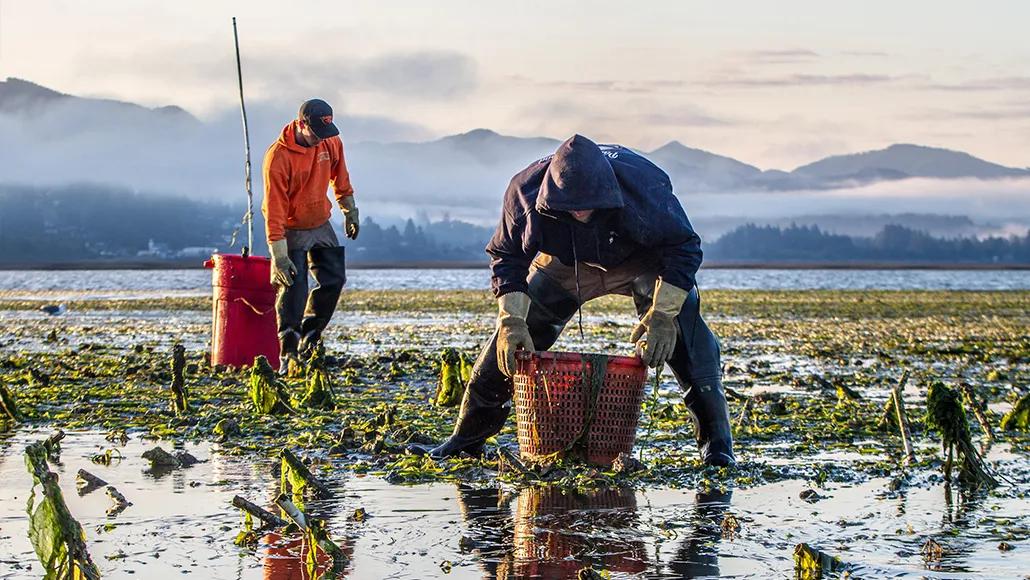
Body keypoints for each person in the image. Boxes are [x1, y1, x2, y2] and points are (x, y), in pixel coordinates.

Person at [416, 134, 735, 466]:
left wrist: (663, 315)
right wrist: (510, 320)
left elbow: (684, 248)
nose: (581, 212)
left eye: (589, 204)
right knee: (510, 344)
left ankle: (717, 449)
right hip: (565, 264)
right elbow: (506, 256)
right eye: (571, 207)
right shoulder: (523, 193)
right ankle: (465, 440)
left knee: (689, 343)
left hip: (641, 261)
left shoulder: (644, 186)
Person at [262, 99, 359, 372]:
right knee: (294, 286)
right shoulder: (278, 157)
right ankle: (288, 350)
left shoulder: (330, 141)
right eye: (315, 133)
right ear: (301, 124)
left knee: (334, 279)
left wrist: (349, 211)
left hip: (320, 221)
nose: (320, 139)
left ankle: (311, 335)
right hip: (290, 226)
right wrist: (278, 255)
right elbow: (274, 208)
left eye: (325, 133)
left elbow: (340, 177)